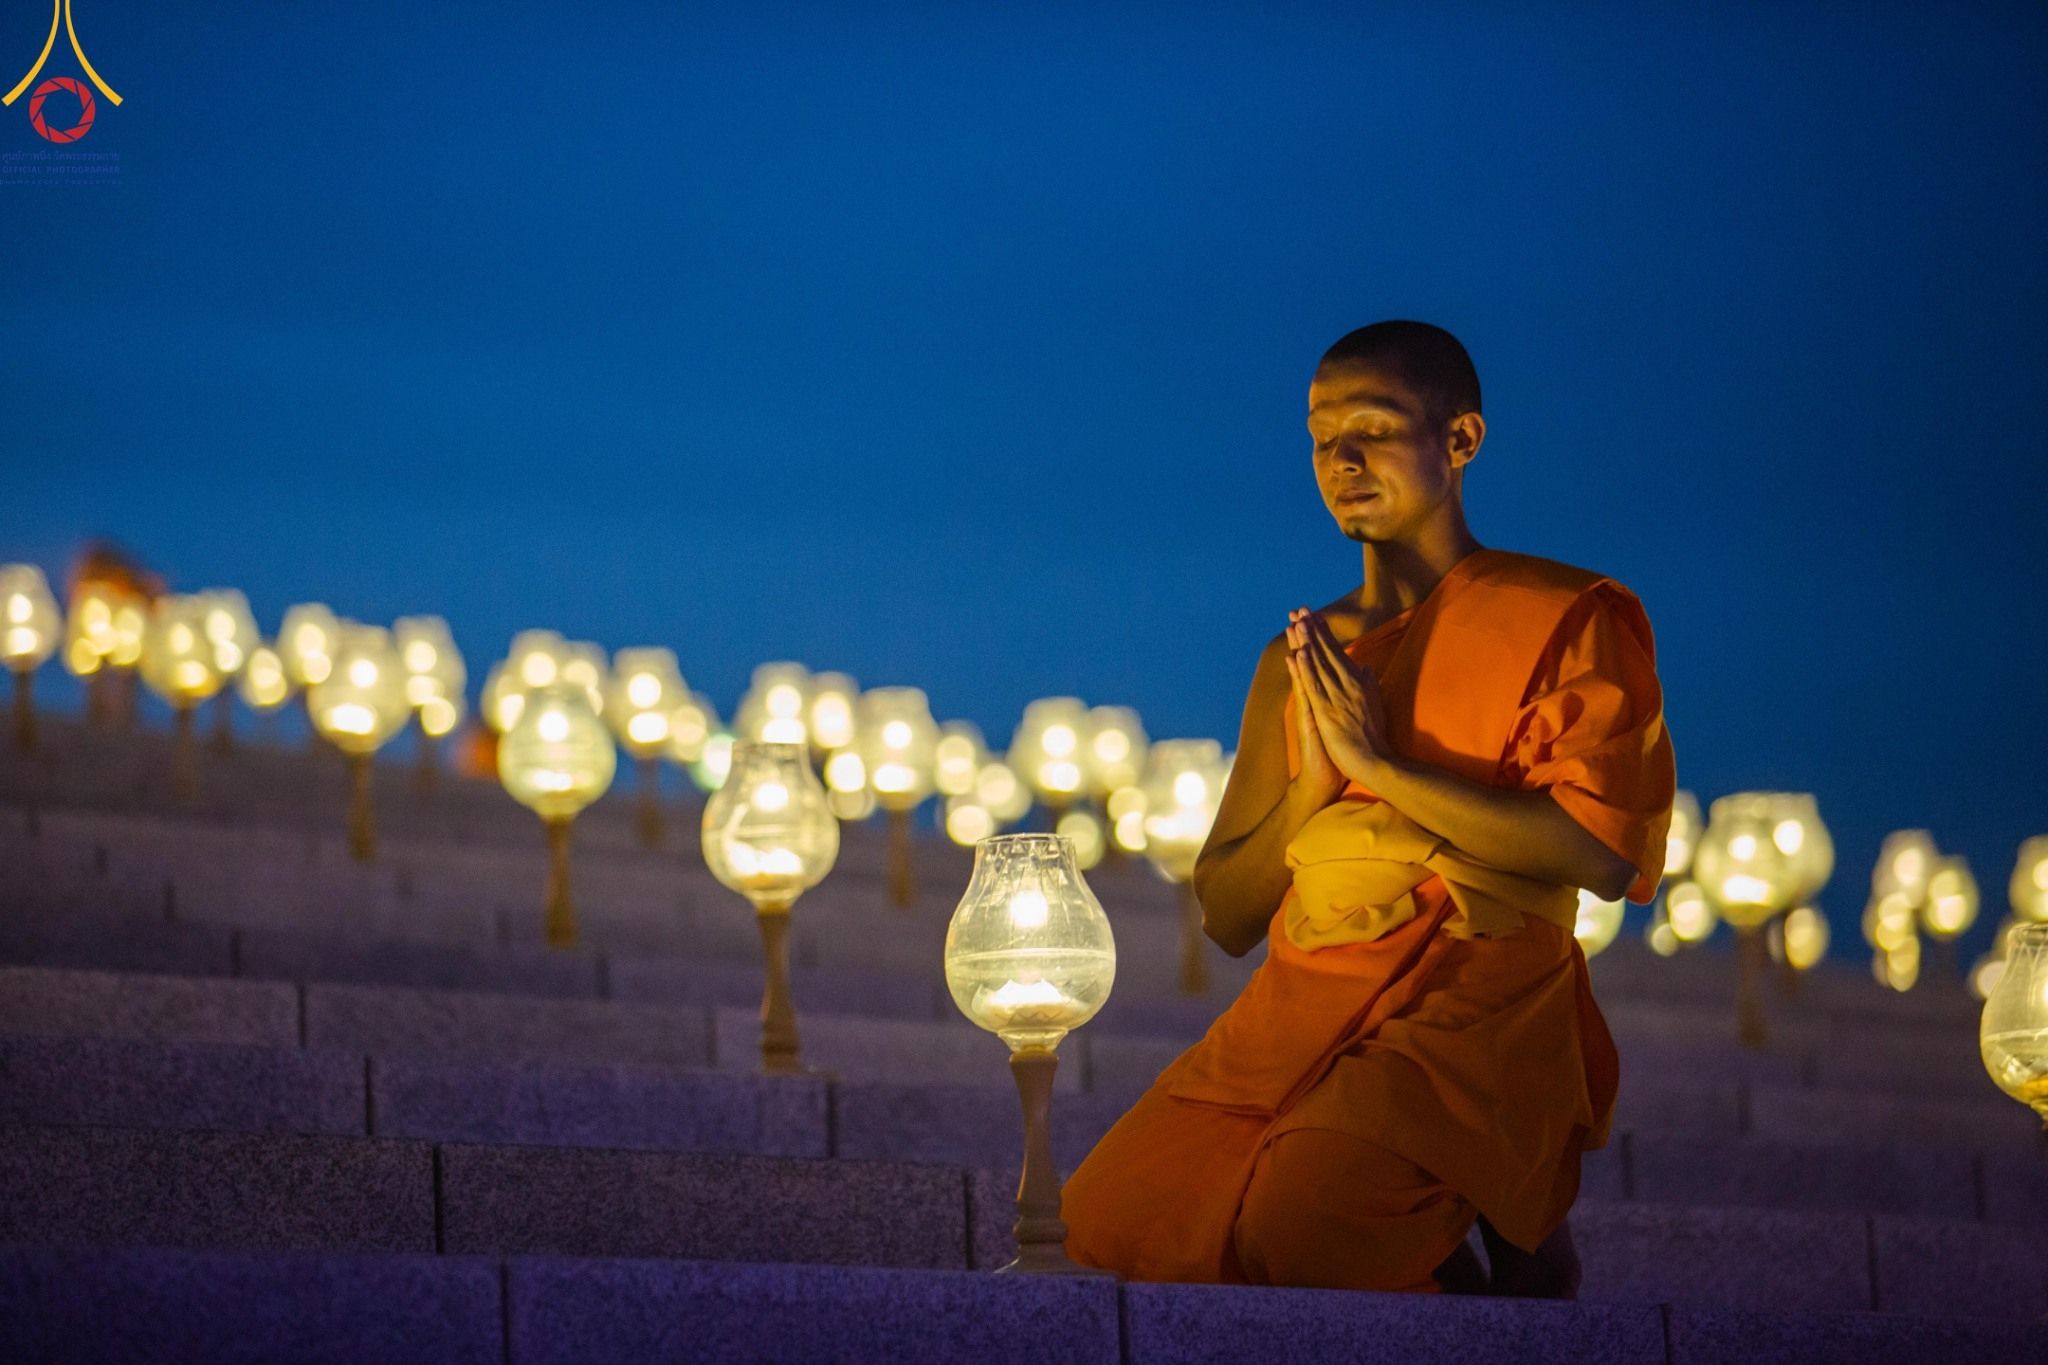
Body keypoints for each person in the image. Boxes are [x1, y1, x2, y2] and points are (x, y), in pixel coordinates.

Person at [1059, 320, 1677, 1295]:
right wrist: (1313, 785)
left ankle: (1498, 1236)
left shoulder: (1556, 621)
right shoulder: (1300, 661)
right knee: (1102, 1223)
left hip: (1473, 1001)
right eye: (1321, 438)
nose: (1342, 461)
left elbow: (1600, 853)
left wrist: (1381, 770)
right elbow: (1225, 914)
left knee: (1300, 1226)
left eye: (1374, 429)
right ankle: (1480, 1259)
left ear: (1460, 439)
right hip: (1300, 1003)